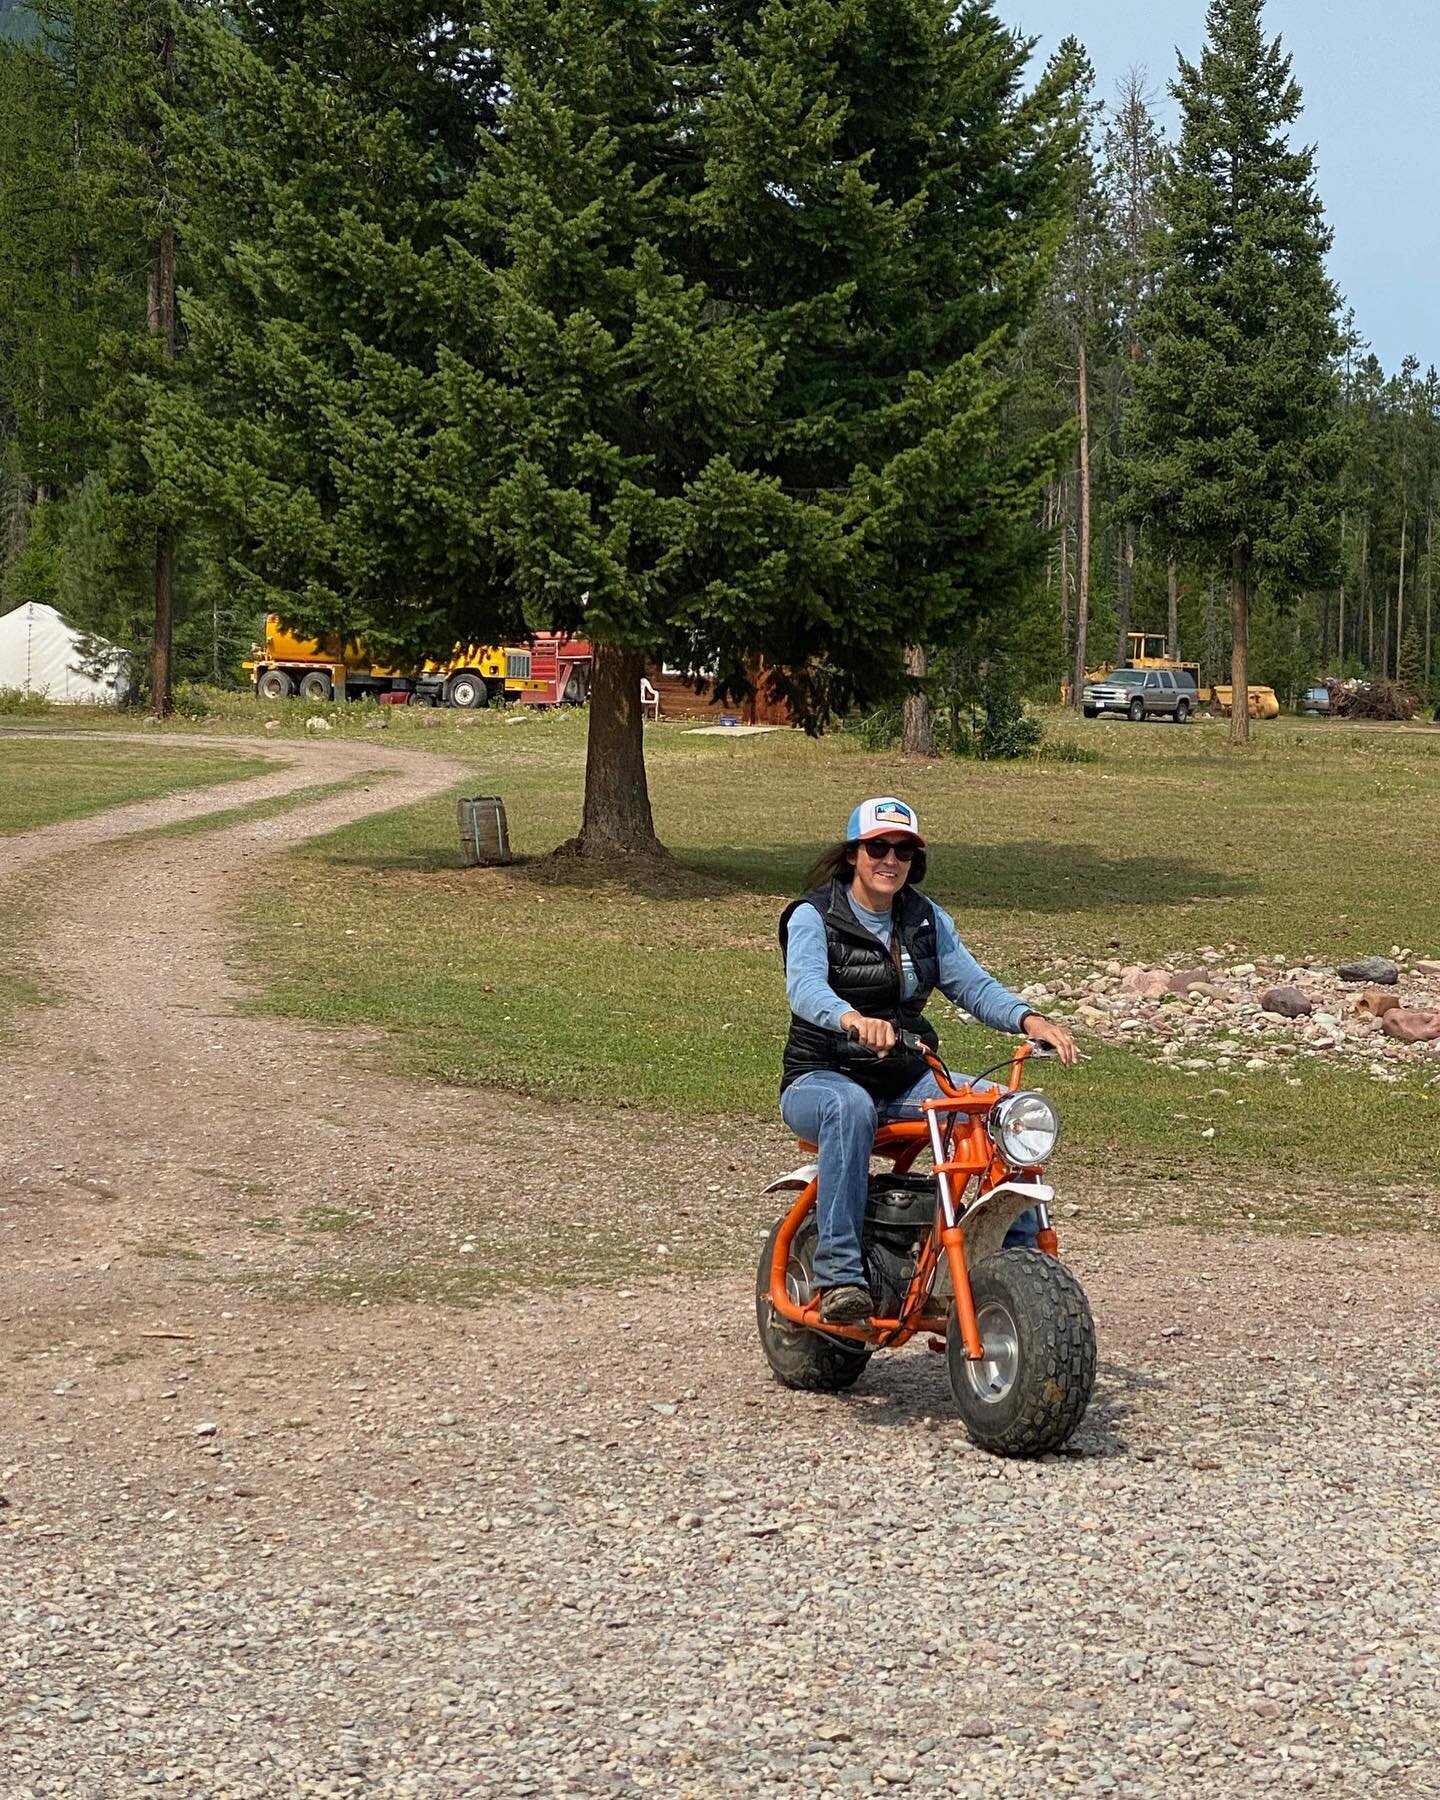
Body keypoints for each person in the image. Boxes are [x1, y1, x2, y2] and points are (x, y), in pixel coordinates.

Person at [779, 796, 1078, 1325]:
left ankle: (1014, 1272)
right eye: (878, 847)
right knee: (849, 1108)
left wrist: (1030, 1019)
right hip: (820, 1077)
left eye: (903, 850)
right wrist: (850, 1019)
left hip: (905, 1077)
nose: (889, 860)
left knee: (1004, 1111)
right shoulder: (813, 915)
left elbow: (972, 984)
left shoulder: (924, 918)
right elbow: (805, 988)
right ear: (854, 853)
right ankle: (840, 1276)